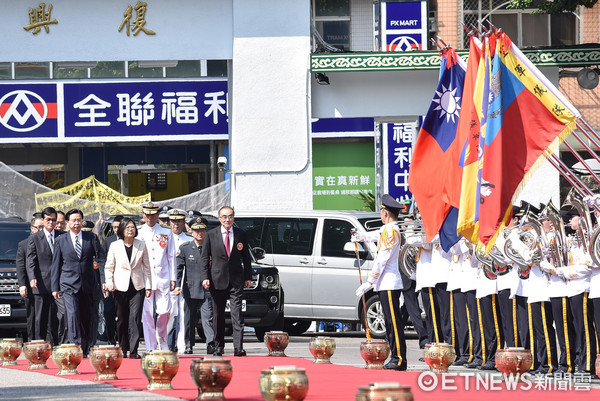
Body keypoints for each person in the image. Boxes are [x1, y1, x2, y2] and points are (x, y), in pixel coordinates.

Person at [353, 194, 407, 371]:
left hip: (389, 284)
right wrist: (361, 236)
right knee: (389, 322)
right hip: (385, 284)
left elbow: (382, 259)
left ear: (385, 213)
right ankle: (395, 356)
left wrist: (369, 281)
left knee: (393, 323)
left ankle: (399, 358)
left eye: (381, 212)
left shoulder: (391, 231)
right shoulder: (388, 230)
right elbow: (375, 235)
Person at [51, 209, 105, 356]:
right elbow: (56, 264)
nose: (76, 223)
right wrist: (54, 287)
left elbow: (100, 259)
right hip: (68, 284)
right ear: (68, 223)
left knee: (87, 316)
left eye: (79, 220)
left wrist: (104, 280)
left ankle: (86, 345)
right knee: (73, 313)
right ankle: (76, 344)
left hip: (88, 284)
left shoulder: (91, 238)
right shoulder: (61, 240)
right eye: (73, 220)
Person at [200, 206, 252, 357]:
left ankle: (238, 347)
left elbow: (246, 258)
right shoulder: (211, 235)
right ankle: (218, 346)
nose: (227, 219)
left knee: (237, 314)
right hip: (217, 280)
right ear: (219, 218)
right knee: (218, 315)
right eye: (224, 217)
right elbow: (204, 258)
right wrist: (205, 277)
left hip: (236, 280)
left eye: (230, 216)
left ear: (233, 218)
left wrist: (248, 277)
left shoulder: (241, 234)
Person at [104, 217, 152, 359]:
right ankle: (123, 348)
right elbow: (109, 267)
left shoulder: (141, 245)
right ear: (122, 230)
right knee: (122, 319)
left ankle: (133, 350)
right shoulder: (115, 246)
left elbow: (147, 267)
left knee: (135, 318)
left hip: (138, 286)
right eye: (128, 227)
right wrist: (109, 282)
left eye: (133, 227)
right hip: (119, 286)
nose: (131, 229)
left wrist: (149, 286)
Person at [137, 201, 176, 351]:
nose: (150, 218)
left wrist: (173, 278)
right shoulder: (139, 232)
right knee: (146, 315)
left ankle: (162, 339)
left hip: (163, 276)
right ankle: (151, 346)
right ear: (143, 215)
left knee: (165, 311)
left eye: (153, 215)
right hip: (145, 278)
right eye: (147, 215)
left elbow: (171, 256)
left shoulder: (166, 231)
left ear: (158, 215)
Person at [26, 206, 67, 344]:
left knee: (59, 316)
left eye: (54, 220)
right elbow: (30, 260)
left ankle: (57, 344)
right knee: (40, 317)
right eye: (48, 219)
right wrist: (32, 277)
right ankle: (40, 345)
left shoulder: (62, 236)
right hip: (41, 282)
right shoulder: (35, 238)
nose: (51, 222)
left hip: (59, 282)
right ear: (43, 220)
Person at [175, 217, 215, 354]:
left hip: (206, 289)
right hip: (190, 289)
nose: (199, 233)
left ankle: (210, 343)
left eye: (202, 230)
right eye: (196, 230)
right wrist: (177, 285)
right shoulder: (185, 248)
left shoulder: (211, 247)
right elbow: (179, 268)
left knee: (208, 318)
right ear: (191, 232)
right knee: (189, 319)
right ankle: (188, 345)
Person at [16, 215, 43, 342]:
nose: (41, 230)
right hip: (31, 287)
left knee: (46, 317)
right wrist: (22, 284)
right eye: (39, 227)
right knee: (32, 316)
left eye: (43, 227)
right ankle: (32, 342)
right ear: (32, 228)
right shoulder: (23, 245)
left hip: (46, 285)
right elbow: (21, 266)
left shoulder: (49, 241)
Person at [167, 208, 190, 353]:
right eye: (174, 221)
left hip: (183, 284)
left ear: (184, 222)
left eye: (179, 221)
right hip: (167, 282)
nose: (176, 224)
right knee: (167, 314)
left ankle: (182, 345)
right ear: (169, 222)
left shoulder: (189, 239)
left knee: (182, 315)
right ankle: (165, 343)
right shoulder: (164, 237)